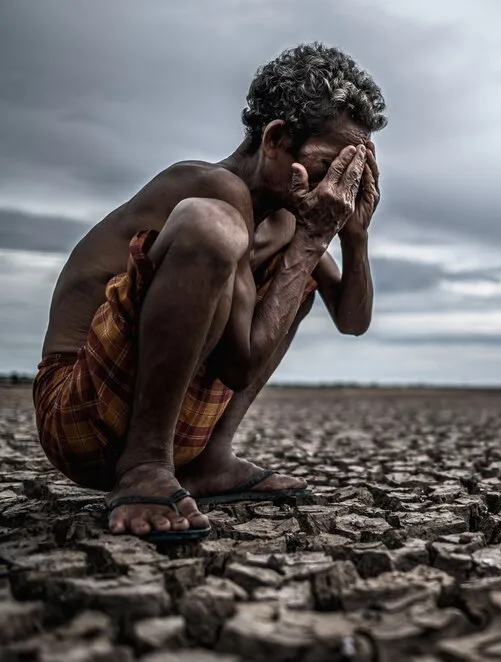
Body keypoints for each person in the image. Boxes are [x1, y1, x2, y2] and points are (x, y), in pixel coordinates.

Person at [31, 42, 386, 542]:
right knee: (210, 227)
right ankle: (144, 465)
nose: (338, 186)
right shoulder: (213, 188)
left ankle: (209, 460)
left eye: (351, 173)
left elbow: (353, 320)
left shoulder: (285, 219)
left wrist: (354, 233)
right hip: (80, 413)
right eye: (332, 165)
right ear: (276, 138)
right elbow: (236, 366)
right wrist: (310, 240)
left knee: (295, 275)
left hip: (173, 427)